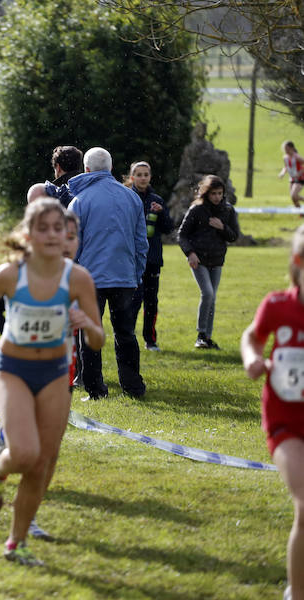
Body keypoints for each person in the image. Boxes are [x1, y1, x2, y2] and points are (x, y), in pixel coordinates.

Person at [0, 198, 104, 567]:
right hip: (14, 369)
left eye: (59, 229)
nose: (52, 235)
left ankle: (16, 543)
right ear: (28, 235)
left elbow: (98, 340)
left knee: (41, 463)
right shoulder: (12, 273)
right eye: (43, 229)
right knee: (24, 454)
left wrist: (87, 324)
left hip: (56, 373)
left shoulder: (78, 278)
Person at [240, 225, 304, 600]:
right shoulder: (278, 305)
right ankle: (296, 592)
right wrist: (253, 359)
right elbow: (252, 335)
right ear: (298, 263)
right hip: (286, 425)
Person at [68, 147, 147, 399]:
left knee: (90, 333)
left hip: (89, 278)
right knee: (126, 333)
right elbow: (140, 242)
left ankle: (95, 388)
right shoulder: (132, 198)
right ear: (111, 168)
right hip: (124, 275)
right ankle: (133, 386)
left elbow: (72, 245)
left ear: (86, 169)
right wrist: (137, 273)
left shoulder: (79, 201)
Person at [178, 175, 239, 350]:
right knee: (208, 293)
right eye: (213, 193)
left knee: (212, 298)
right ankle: (201, 334)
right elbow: (182, 235)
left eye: (220, 193)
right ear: (206, 193)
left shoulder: (228, 211)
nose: (217, 197)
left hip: (217, 260)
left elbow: (234, 236)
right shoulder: (196, 210)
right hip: (199, 259)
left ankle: (207, 337)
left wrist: (223, 227)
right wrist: (190, 253)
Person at [126, 161, 173, 352]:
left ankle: (150, 340)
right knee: (134, 300)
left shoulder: (157, 200)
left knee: (151, 301)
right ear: (132, 177)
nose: (143, 178)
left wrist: (161, 214)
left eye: (146, 174)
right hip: (132, 259)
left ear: (150, 177)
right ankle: (128, 336)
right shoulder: (127, 198)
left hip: (153, 259)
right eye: (139, 174)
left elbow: (169, 228)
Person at [280, 141, 304, 210]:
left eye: (287, 149)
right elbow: (286, 167)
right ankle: (301, 214)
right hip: (292, 179)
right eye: (284, 149)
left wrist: (299, 173)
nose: (285, 150)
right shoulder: (285, 157)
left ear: (292, 148)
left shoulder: (297, 157)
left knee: (294, 195)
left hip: (300, 178)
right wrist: (282, 173)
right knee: (293, 198)